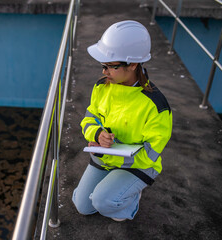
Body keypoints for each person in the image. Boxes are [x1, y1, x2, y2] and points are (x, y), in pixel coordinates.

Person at [72, 20, 173, 221]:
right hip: (105, 157)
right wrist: (97, 135)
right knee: (82, 206)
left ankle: (131, 201)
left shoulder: (155, 105)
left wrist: (111, 150)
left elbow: (150, 153)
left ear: (133, 64)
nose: (104, 72)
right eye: (103, 66)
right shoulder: (102, 88)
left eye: (110, 66)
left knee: (105, 204)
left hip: (137, 165)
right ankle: (114, 190)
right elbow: (89, 119)